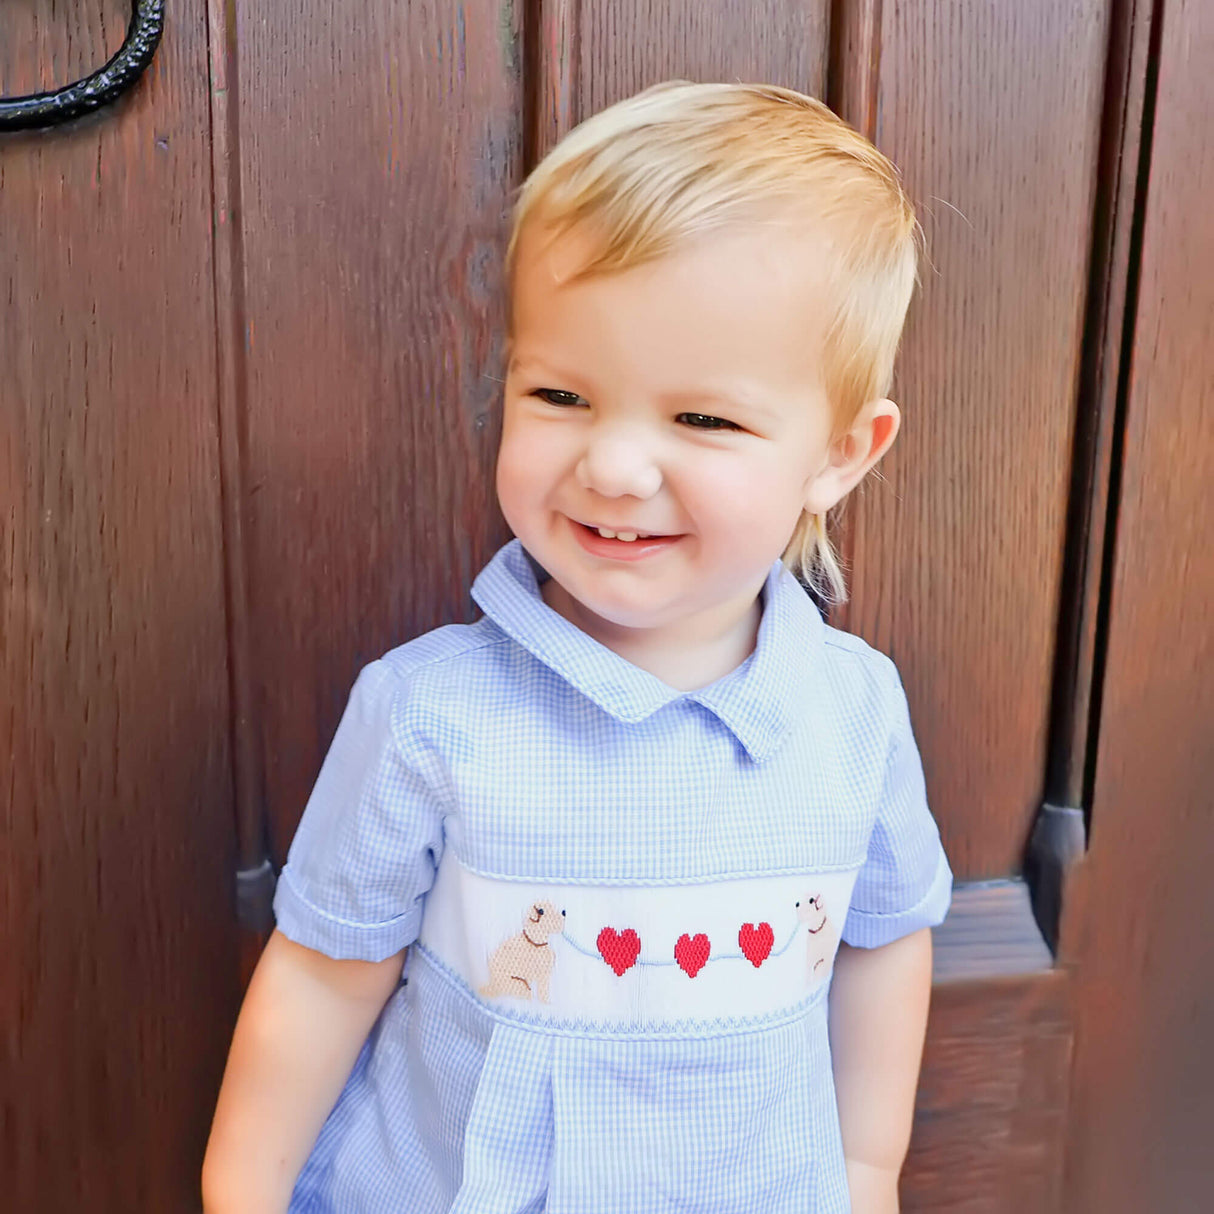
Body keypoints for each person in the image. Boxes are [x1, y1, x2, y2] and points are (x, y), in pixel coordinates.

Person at [202, 81, 952, 1214]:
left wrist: (862, 1168)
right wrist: (240, 1187)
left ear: (841, 451)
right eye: (560, 393)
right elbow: (320, 971)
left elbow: (883, 940)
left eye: (701, 418)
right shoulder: (429, 711)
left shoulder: (853, 709)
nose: (611, 466)